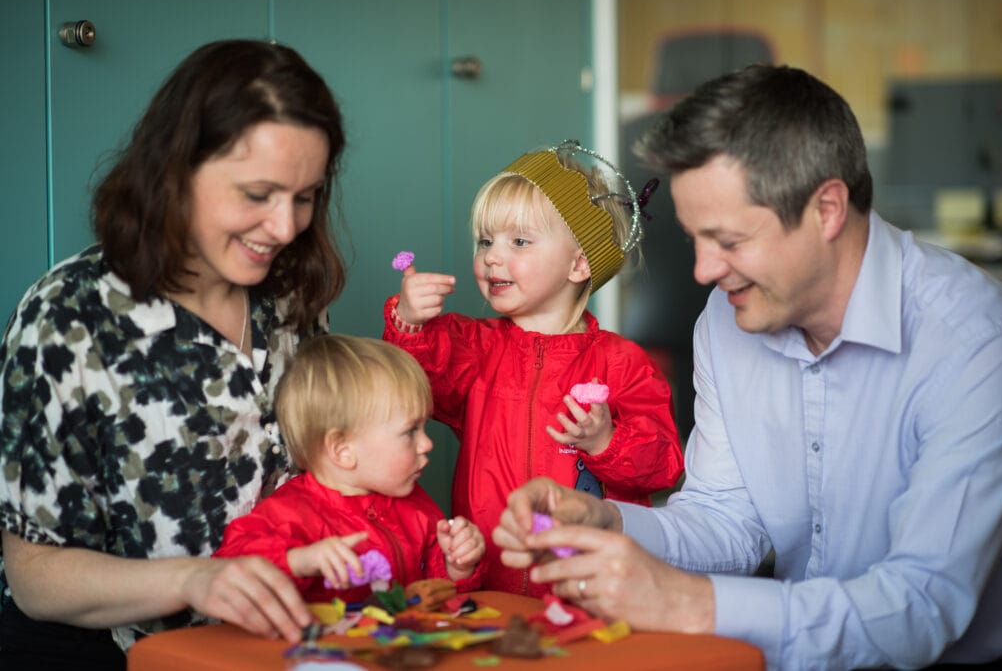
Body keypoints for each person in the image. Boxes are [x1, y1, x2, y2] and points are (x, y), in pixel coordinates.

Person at [492, 64, 1002, 670]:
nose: (703, 271)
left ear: (826, 209)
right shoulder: (727, 322)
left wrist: (686, 604)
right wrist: (608, 520)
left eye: (729, 240)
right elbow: (727, 524)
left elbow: (920, 608)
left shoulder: (981, 343)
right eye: (694, 239)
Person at [0, 39, 348, 668]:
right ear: (176, 170)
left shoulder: (293, 297)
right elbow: (34, 576)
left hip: (281, 644)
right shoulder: (69, 318)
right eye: (257, 194)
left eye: (305, 197)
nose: (286, 227)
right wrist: (195, 580)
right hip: (123, 653)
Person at [383, 140, 684, 596]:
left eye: (518, 241)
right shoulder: (476, 347)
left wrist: (606, 441)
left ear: (579, 263)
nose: (492, 256)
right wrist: (408, 321)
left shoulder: (622, 363)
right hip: (486, 581)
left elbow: (663, 465)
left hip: (588, 592)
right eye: (486, 240)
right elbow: (414, 381)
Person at [214, 334, 485, 601]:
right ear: (343, 451)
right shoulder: (290, 514)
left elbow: (437, 594)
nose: (427, 443)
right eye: (410, 431)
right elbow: (229, 567)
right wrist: (297, 561)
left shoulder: (416, 506)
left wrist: (457, 567)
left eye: (424, 426)